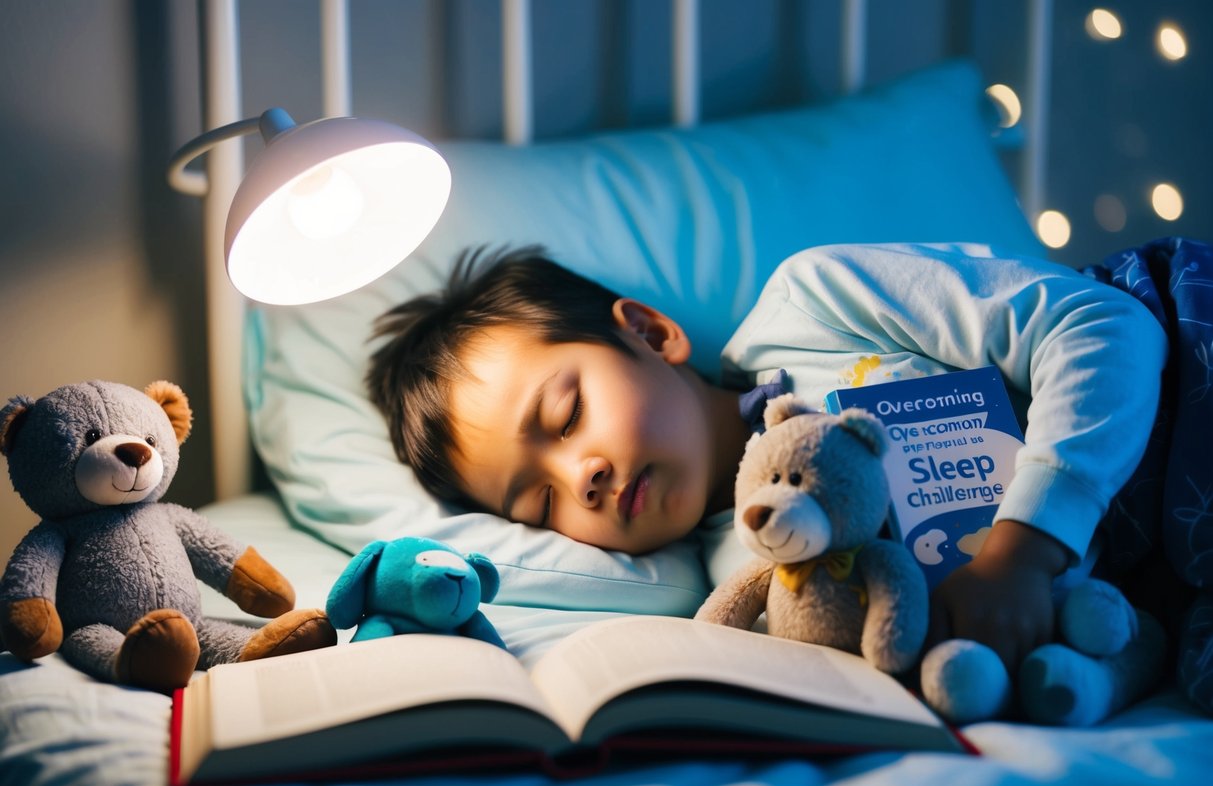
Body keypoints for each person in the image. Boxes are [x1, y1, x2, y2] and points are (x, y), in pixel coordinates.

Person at [366, 241, 1202, 699]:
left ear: (650, 334)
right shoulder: (751, 573)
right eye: (538, 500)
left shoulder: (812, 304)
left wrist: (1021, 550)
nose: (576, 477)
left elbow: (1105, 327)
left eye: (564, 415)